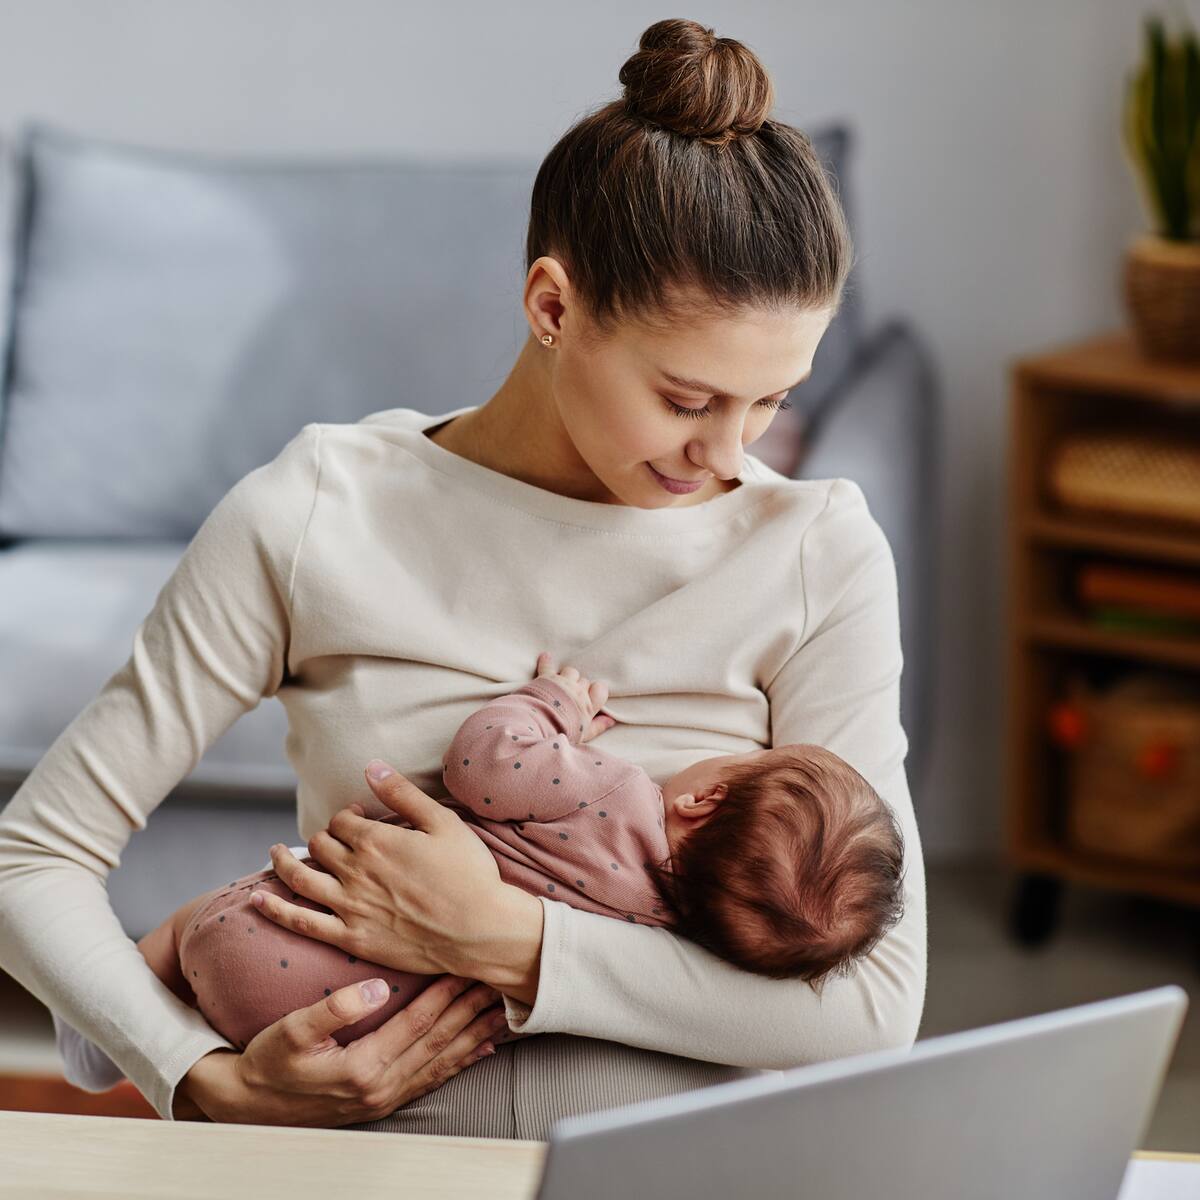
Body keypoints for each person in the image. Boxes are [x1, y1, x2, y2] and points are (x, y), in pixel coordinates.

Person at [0, 17, 927, 1138]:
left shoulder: (818, 553)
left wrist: (507, 941)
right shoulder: (317, 514)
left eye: (773, 401)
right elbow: (34, 856)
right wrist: (193, 1072)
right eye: (688, 401)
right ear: (552, 307)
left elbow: (874, 1006)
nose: (729, 455)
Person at [51, 649, 906, 1087]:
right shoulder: (665, 934)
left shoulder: (611, 787)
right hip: (352, 1025)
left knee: (193, 926)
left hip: (266, 930)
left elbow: (483, 765)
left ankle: (115, 1028)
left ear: (704, 797)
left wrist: (552, 706)